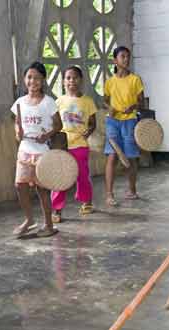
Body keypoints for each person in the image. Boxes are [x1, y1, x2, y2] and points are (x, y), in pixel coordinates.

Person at [11, 61, 62, 238]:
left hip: (42, 152)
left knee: (42, 190)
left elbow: (58, 125)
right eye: (30, 77)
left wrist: (46, 136)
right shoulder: (19, 102)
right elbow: (17, 123)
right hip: (24, 150)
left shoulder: (49, 103)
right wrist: (18, 131)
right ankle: (29, 219)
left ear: (43, 80)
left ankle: (48, 224)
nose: (33, 81)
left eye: (37, 78)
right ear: (25, 79)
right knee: (20, 185)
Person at [51, 66, 97, 223]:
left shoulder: (87, 101)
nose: (72, 81)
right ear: (64, 81)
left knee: (82, 176)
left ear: (81, 80)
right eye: (68, 78)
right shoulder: (58, 101)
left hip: (80, 145)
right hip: (63, 146)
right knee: (60, 177)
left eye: (75, 77)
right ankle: (56, 209)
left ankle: (86, 200)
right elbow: (54, 124)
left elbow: (92, 123)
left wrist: (89, 131)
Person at [103, 46, 144, 206]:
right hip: (112, 122)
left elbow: (141, 101)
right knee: (112, 156)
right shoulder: (109, 81)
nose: (126, 59)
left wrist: (133, 107)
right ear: (115, 60)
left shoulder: (135, 80)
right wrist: (109, 108)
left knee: (131, 157)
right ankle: (109, 194)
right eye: (122, 56)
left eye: (128, 57)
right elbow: (105, 100)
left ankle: (132, 190)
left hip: (130, 121)